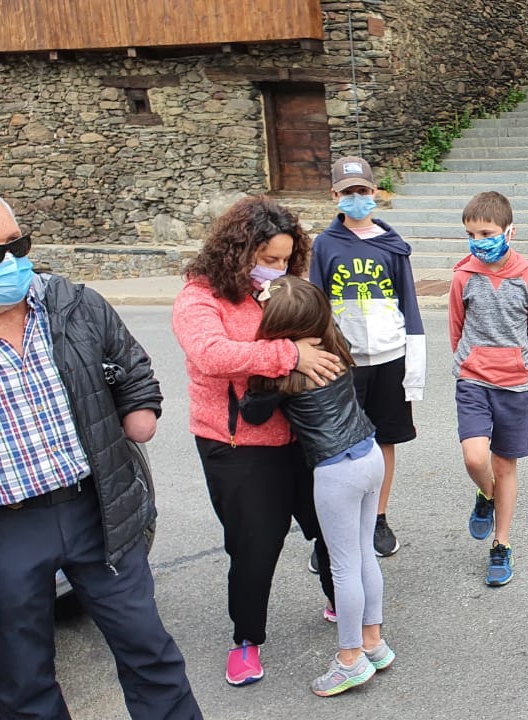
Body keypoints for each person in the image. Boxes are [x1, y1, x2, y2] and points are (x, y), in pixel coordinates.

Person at [0, 194, 202, 718]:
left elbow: (130, 363)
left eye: (16, 245)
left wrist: (140, 409)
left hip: (97, 509)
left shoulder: (74, 303)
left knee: (150, 653)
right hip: (8, 527)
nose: (11, 263)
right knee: (22, 683)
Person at [172, 195, 343, 687]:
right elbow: (211, 354)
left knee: (329, 530)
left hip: (300, 434)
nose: (278, 268)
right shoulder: (200, 296)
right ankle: (246, 640)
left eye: (286, 259)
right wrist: (290, 355)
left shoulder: (277, 287)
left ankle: (342, 601)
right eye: (268, 258)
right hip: (237, 445)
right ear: (239, 251)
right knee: (254, 547)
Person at [240, 275, 395, 697]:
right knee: (364, 556)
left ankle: (349, 659)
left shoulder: (281, 375)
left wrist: (275, 357)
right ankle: (374, 643)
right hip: (370, 455)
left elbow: (251, 412)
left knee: (343, 567)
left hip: (336, 470)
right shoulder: (335, 343)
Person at [309, 156, 426, 559]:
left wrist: (414, 365)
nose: (356, 197)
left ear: (374, 192)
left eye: (362, 190)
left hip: (390, 358)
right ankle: (331, 530)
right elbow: (316, 306)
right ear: (334, 195)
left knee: (384, 440)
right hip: (345, 362)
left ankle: (377, 517)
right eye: (348, 192)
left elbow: (409, 306)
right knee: (334, 443)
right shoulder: (325, 246)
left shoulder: (392, 246)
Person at [450, 191, 528, 586]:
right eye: (471, 234)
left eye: (487, 233)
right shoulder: (463, 277)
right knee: (476, 458)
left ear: (510, 232)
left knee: (505, 466)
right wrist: (469, 362)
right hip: (473, 380)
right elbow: (456, 328)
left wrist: (519, 365)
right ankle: (486, 494)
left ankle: (501, 543)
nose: (479, 241)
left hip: (514, 386)